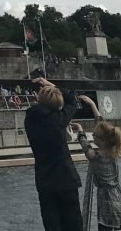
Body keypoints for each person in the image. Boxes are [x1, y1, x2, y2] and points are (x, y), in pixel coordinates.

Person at [24, 75, 82, 231]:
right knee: (74, 223)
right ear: (57, 105)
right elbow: (72, 100)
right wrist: (51, 84)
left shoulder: (30, 120)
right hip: (66, 179)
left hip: (45, 182)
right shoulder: (59, 120)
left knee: (52, 225)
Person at [71, 95, 121, 231]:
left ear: (101, 141)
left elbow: (85, 145)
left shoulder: (96, 157)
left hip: (108, 204)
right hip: (120, 199)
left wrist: (80, 130)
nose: (92, 135)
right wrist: (92, 104)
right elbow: (103, 126)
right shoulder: (113, 150)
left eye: (94, 135)